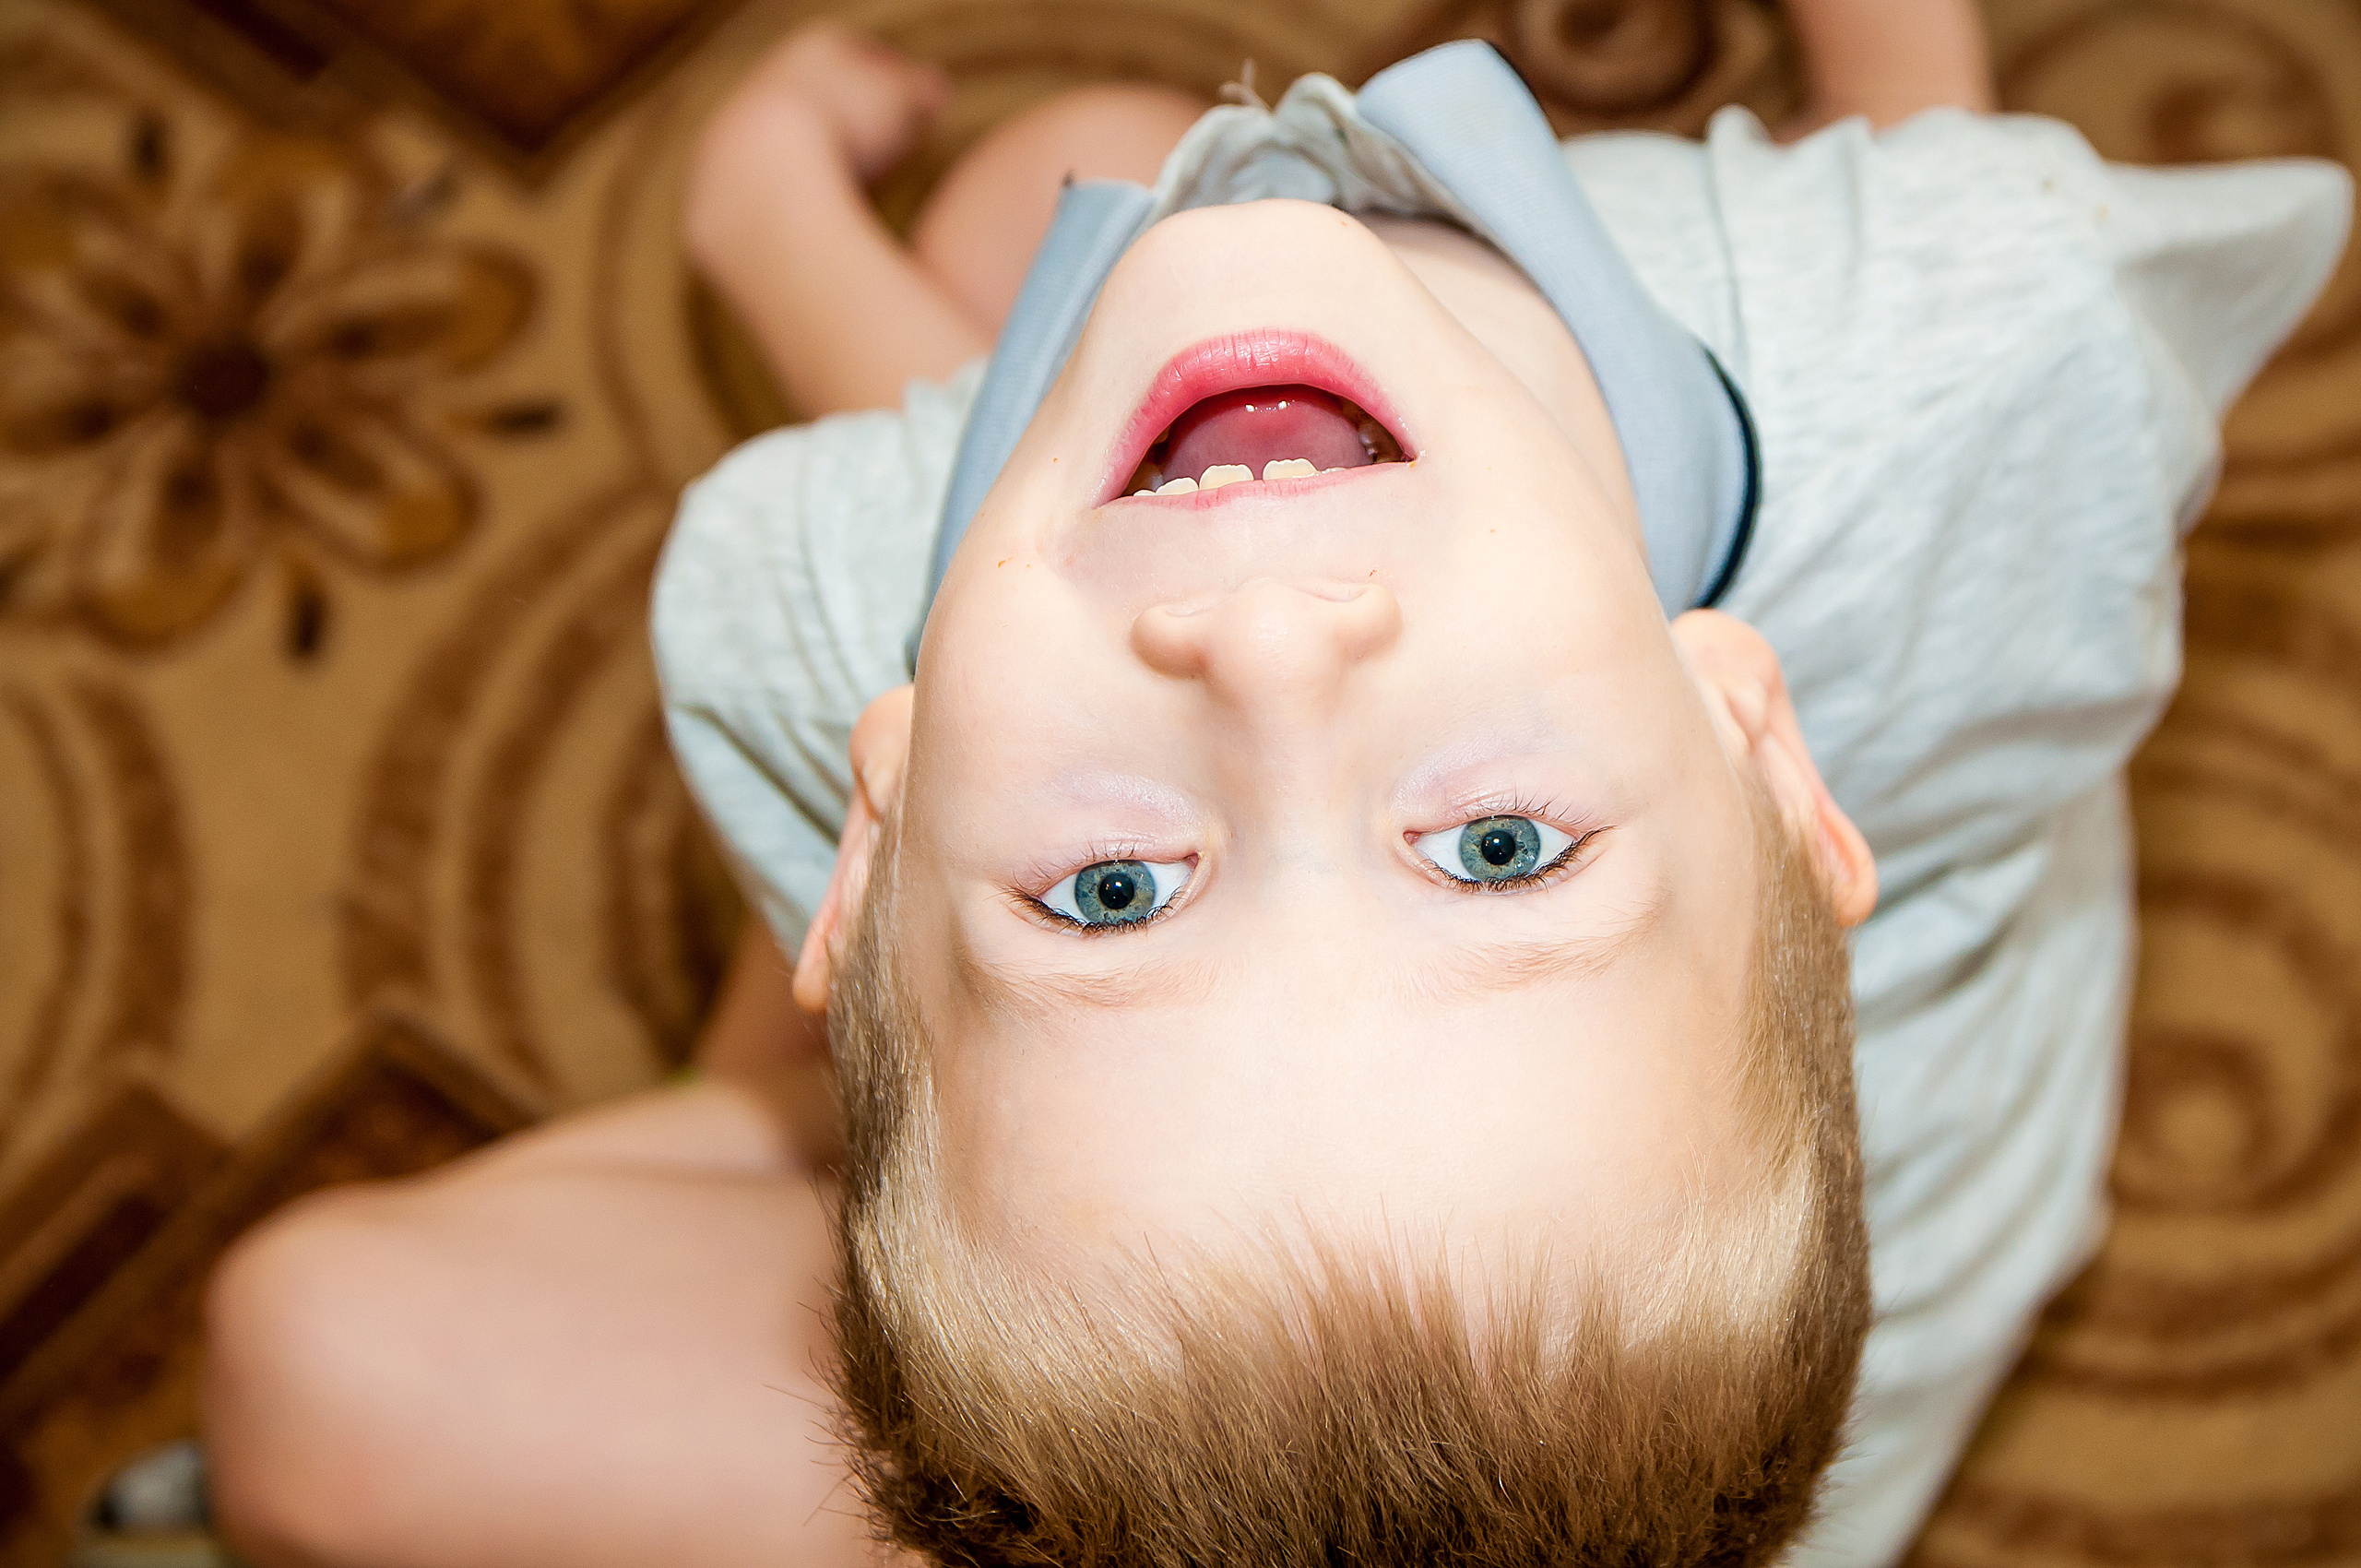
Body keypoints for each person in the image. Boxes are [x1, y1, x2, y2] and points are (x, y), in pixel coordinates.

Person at [199, 6, 2351, 1565]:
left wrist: (767, 240)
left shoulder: (809, 592)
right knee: (1093, 179)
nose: (1263, 645)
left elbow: (961, 551)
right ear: (1761, 751)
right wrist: (1904, 100)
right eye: (1494, 854)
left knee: (1052, 197)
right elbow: (1948, 215)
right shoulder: (1987, 356)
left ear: (869, 815)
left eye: (1115, 895)